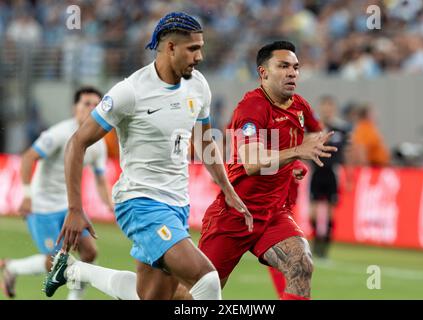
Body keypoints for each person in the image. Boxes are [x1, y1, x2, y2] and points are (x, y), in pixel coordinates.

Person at [43, 12, 251, 301]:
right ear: (170, 48)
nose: (200, 56)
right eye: (193, 48)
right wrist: (75, 208)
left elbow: (205, 142)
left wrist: (228, 190)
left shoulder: (199, 85)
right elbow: (77, 143)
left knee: (153, 297)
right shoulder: (130, 92)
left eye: (201, 47)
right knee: (207, 281)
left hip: (178, 204)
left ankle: (75, 272)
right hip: (140, 203)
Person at [198, 40, 336, 300]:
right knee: (198, 294)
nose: (292, 72)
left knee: (301, 264)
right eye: (283, 66)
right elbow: (251, 163)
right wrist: (296, 153)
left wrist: (294, 162)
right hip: (235, 214)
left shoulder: (299, 106)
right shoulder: (252, 108)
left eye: (295, 67)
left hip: (273, 214)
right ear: (263, 73)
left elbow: (315, 135)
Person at [0, 86, 112, 300]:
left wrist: (110, 204)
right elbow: (28, 158)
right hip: (42, 207)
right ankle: (12, 268)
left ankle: (74, 298)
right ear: (74, 108)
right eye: (86, 103)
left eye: (95, 105)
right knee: (54, 261)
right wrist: (26, 195)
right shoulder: (59, 134)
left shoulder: (99, 142)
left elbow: (100, 179)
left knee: (89, 253)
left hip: (69, 207)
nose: (91, 108)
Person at [309, 95, 351, 259]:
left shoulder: (341, 128)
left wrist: (348, 176)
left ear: (333, 109)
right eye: (324, 106)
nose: (327, 109)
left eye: (329, 106)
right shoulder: (314, 127)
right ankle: (316, 241)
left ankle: (325, 246)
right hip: (316, 172)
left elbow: (346, 153)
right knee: (312, 212)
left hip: (332, 172)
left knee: (330, 212)